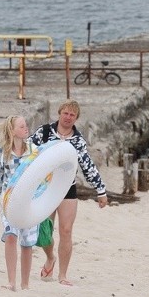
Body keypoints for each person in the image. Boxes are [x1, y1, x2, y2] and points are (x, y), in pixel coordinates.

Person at [30, 99, 108, 286]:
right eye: (65, 113)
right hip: (46, 187)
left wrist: (101, 190)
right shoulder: (44, 132)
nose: (68, 117)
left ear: (76, 118)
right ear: (59, 113)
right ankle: (50, 257)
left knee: (66, 231)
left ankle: (63, 275)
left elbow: (87, 166)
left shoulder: (78, 140)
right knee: (45, 231)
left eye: (72, 115)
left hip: (67, 188)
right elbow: (28, 153)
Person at [0, 115, 39, 291]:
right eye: (21, 126)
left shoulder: (33, 150)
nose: (26, 129)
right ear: (12, 131)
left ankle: (25, 284)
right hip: (8, 201)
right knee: (11, 235)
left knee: (27, 242)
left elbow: (43, 175)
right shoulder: (1, 152)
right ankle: (11, 282)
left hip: (30, 202)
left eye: (26, 126)